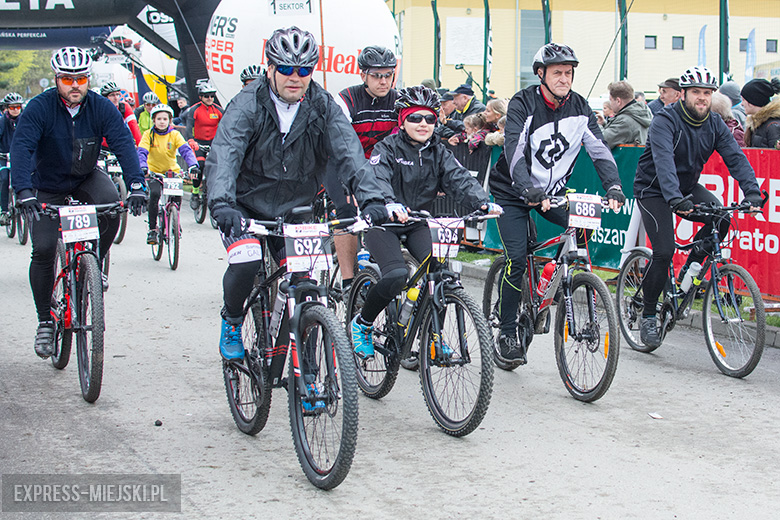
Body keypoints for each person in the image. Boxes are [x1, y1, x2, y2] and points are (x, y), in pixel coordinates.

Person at [205, 26, 385, 361]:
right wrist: (222, 203)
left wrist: (372, 199)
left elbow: (349, 153)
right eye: (286, 69)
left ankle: (307, 367)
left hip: (296, 206)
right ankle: (231, 321)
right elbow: (225, 153)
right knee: (245, 262)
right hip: (245, 205)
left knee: (307, 283)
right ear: (269, 68)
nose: (295, 77)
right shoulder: (247, 104)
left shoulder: (322, 104)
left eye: (303, 70)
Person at [488, 42, 625, 363]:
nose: (564, 78)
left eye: (569, 73)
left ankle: (546, 288)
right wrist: (527, 189)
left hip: (550, 194)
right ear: (541, 75)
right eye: (557, 73)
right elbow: (514, 149)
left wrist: (614, 186)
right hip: (512, 191)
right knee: (517, 259)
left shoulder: (579, 106)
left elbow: (599, 149)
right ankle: (507, 331)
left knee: (583, 229)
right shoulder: (523, 103)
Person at [10, 46, 147, 359]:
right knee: (43, 249)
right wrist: (23, 190)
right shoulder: (39, 107)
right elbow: (22, 148)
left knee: (112, 206)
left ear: (88, 80)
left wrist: (136, 184)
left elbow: (124, 143)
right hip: (47, 183)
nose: (75, 85)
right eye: (68, 79)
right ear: (57, 80)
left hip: (85, 176)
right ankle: (45, 320)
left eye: (81, 78)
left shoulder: (100, 107)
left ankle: (94, 259)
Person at [349, 86, 502, 359]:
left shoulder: (439, 152)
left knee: (440, 276)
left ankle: (433, 337)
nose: (423, 124)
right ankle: (363, 324)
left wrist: (481, 201)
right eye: (415, 118)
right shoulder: (387, 148)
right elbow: (376, 178)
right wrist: (387, 203)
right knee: (396, 275)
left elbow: (459, 178)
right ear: (402, 120)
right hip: (384, 223)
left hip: (418, 221)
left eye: (430, 118)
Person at [634, 66, 763, 348]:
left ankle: (689, 271)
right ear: (683, 94)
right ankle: (647, 315)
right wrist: (675, 200)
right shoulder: (665, 120)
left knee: (721, 219)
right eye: (696, 92)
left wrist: (752, 193)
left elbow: (736, 158)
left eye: (707, 93)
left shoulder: (715, 124)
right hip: (654, 189)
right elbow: (664, 162)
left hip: (687, 187)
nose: (702, 98)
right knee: (664, 250)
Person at [328, 45, 398, 294]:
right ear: (363, 76)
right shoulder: (346, 98)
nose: (383, 81)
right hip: (342, 163)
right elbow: (341, 144)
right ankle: (348, 281)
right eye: (376, 75)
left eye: (388, 75)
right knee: (346, 212)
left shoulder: (397, 101)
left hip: (376, 167)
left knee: (391, 209)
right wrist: (349, 183)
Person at [137, 103, 199, 245]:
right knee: (154, 195)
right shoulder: (148, 135)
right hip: (154, 173)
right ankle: (152, 229)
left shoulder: (175, 134)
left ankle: (175, 222)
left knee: (176, 198)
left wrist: (193, 165)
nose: (162, 121)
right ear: (154, 120)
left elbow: (186, 151)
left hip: (172, 173)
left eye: (165, 119)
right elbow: (142, 152)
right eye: (159, 119)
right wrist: (143, 167)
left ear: (170, 120)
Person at [185, 82, 224, 209]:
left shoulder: (218, 110)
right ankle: (195, 192)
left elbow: (225, 127)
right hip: (198, 143)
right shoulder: (194, 109)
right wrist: (191, 140)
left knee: (218, 167)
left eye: (212, 96)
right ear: (201, 97)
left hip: (213, 143)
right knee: (199, 165)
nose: (210, 98)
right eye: (206, 96)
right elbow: (189, 126)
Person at [600, 80, 653, 149]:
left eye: (611, 100)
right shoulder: (643, 113)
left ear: (618, 101)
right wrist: (604, 123)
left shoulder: (624, 121)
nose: (610, 103)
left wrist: (598, 126)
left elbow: (602, 141)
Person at [0, 92, 24, 225]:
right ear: (7, 108)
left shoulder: (24, 120)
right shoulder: (2, 121)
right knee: (4, 179)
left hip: (18, 155)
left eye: (18, 107)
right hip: (3, 154)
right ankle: (4, 210)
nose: (15, 110)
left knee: (23, 178)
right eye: (12, 107)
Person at [741, 77, 780, 150]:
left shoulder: (773, 126)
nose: (742, 104)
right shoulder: (756, 123)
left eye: (743, 100)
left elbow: (776, 157)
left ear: (752, 101)